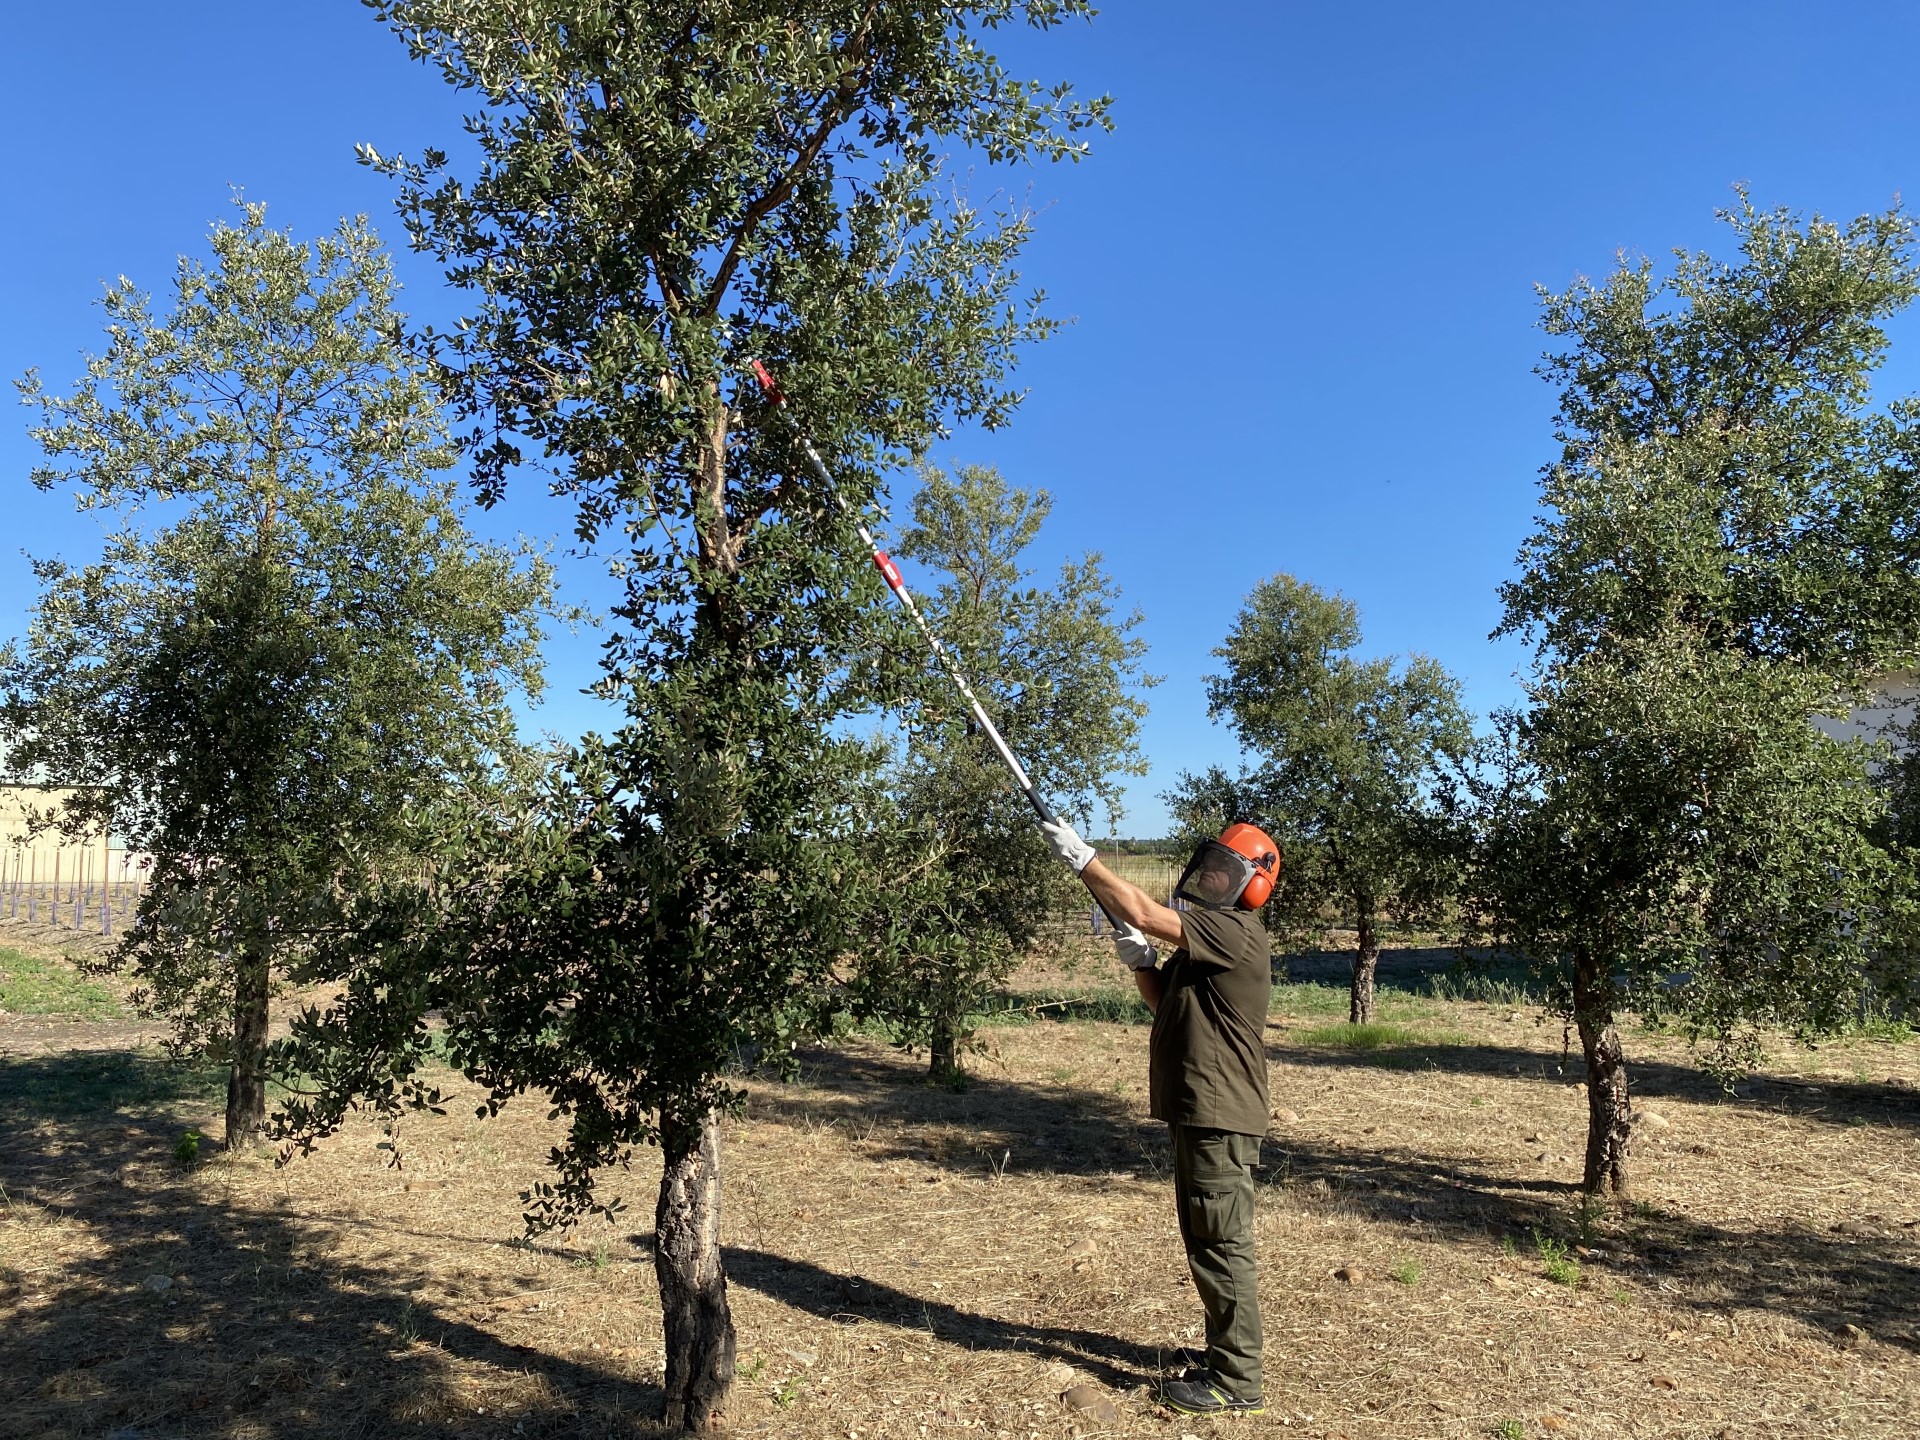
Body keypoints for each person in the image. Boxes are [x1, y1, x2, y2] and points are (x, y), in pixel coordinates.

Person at [1040, 817, 1280, 1417]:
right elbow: (1163, 1002)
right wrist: (1141, 962)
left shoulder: (1236, 930)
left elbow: (1146, 912)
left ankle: (1236, 1382)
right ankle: (1225, 1360)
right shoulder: (1209, 939)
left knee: (1222, 1244)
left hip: (1220, 1117)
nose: (1215, 875)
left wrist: (1084, 859)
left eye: (1228, 870)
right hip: (1203, 1113)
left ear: (1250, 885)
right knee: (1207, 1240)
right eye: (1214, 865)